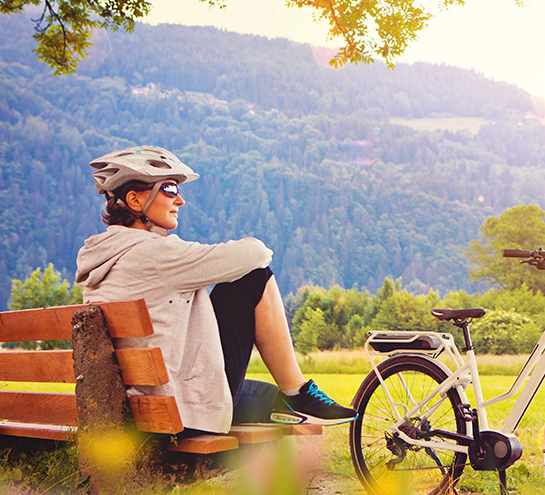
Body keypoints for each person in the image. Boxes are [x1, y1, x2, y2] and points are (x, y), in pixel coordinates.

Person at [75, 145, 355, 436]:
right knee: (253, 277)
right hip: (177, 415)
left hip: (136, 408)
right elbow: (256, 253)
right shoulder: (156, 254)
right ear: (134, 199)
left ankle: (291, 400)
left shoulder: (102, 257)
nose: (180, 200)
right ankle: (298, 392)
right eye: (169, 189)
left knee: (270, 398)